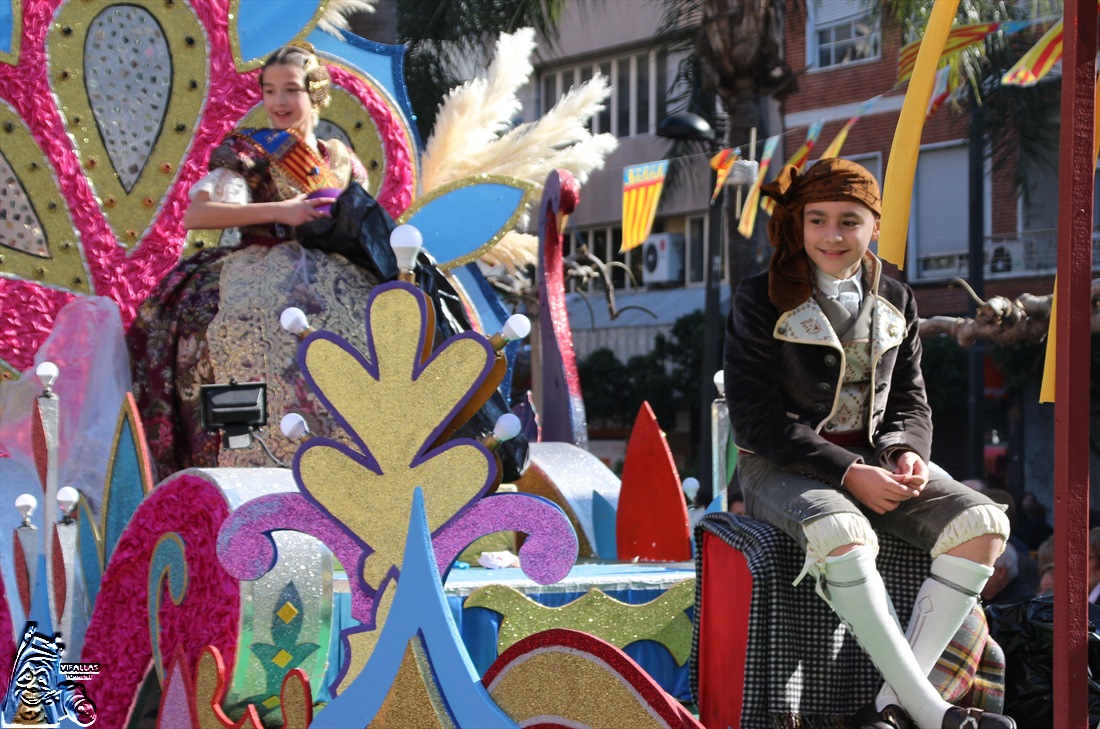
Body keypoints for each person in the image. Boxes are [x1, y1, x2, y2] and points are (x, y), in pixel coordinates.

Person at [724, 158, 1013, 729]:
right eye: (818, 220)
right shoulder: (759, 298)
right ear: (799, 225)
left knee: (983, 523)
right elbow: (756, 420)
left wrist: (907, 452)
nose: (833, 235)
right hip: (780, 468)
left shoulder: (898, 298)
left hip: (878, 464)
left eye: (850, 221)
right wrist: (849, 472)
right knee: (840, 530)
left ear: (873, 226)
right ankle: (930, 712)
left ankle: (889, 709)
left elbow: (911, 402)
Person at [128, 42, 374, 479]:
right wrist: (282, 211)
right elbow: (198, 214)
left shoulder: (344, 162)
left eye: (291, 90)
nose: (278, 101)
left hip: (334, 279)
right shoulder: (252, 150)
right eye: (269, 90)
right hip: (254, 269)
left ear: (316, 94)